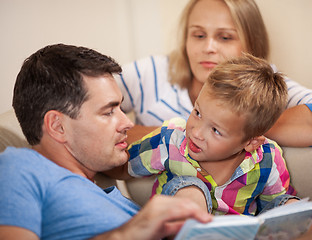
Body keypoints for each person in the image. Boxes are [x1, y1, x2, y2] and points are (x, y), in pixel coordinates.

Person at [0, 44, 212, 240]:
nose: (127, 123)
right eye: (108, 112)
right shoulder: (18, 168)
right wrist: (127, 234)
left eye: (120, 108)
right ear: (58, 126)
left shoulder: (110, 197)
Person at [117, 0, 312, 147]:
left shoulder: (266, 85)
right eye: (198, 35)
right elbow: (86, 103)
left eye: (225, 37)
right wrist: (188, 134)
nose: (208, 47)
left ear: (251, 46)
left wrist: (240, 128)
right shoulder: (153, 72)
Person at [120, 54, 299, 216]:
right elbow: (123, 164)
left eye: (215, 130)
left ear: (251, 142)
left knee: (290, 207)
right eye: (197, 112)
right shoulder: (172, 139)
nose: (196, 132)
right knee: (192, 191)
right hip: (176, 230)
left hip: (235, 235)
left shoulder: (267, 158)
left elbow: (272, 208)